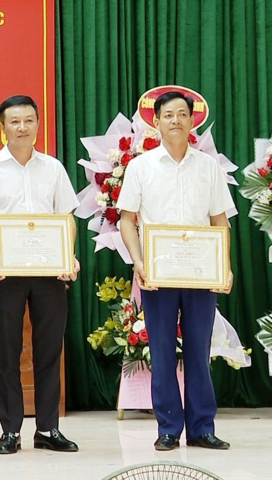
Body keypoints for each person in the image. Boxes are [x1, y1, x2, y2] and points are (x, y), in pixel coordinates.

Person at [116, 91, 234, 451]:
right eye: (169, 115)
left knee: (199, 351)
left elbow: (220, 221)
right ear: (156, 122)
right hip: (158, 273)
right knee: (163, 352)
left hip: (200, 273)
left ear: (192, 120)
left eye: (183, 114)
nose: (176, 121)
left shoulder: (208, 167)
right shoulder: (141, 167)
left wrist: (224, 267)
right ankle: (168, 427)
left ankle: (201, 428)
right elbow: (126, 220)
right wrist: (139, 262)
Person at [0, 95, 81, 455]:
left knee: (49, 352)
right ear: (2, 126)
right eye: (14, 121)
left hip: (49, 273)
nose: (22, 127)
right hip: (5, 274)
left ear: (37, 124)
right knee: (8, 351)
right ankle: (10, 430)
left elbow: (68, 217)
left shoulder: (54, 168)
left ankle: (47, 428)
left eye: (29, 120)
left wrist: (68, 255)